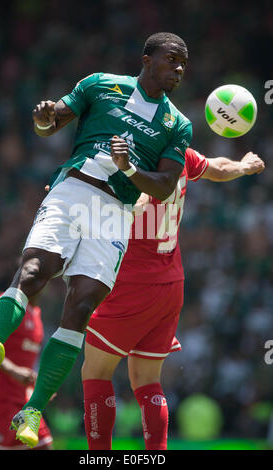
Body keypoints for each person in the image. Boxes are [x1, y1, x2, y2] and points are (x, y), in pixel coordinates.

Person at [0, 32, 192, 448]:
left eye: (184, 64)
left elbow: (165, 185)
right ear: (147, 59)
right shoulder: (100, 84)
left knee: (80, 306)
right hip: (74, 189)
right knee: (34, 269)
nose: (179, 70)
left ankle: (33, 409)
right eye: (172, 61)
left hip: (115, 213)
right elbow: (50, 122)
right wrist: (43, 117)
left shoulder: (177, 124)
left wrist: (129, 169)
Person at [81, 148, 265, 450]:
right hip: (170, 283)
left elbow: (137, 200)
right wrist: (243, 167)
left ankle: (98, 455)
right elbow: (216, 167)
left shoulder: (135, 159)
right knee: (146, 380)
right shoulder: (179, 153)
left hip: (132, 283)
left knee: (95, 372)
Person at [0, 293, 53, 450]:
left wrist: (38, 387)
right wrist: (12, 370)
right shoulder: (9, 302)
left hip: (26, 405)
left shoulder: (35, 311)